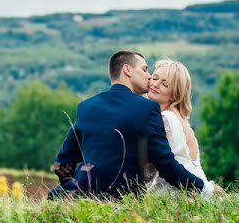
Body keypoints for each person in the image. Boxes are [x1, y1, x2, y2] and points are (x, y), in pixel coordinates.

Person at [49, 51, 221, 199]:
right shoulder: (146, 109)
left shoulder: (86, 106)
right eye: (146, 70)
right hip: (126, 199)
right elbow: (165, 164)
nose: (149, 78)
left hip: (82, 194)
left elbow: (63, 161)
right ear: (127, 70)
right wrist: (205, 188)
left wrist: (74, 188)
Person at [145, 58, 207, 192]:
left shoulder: (165, 118)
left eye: (165, 84)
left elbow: (159, 163)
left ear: (176, 93)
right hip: (197, 189)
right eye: (155, 78)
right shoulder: (180, 119)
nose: (155, 84)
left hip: (182, 193)